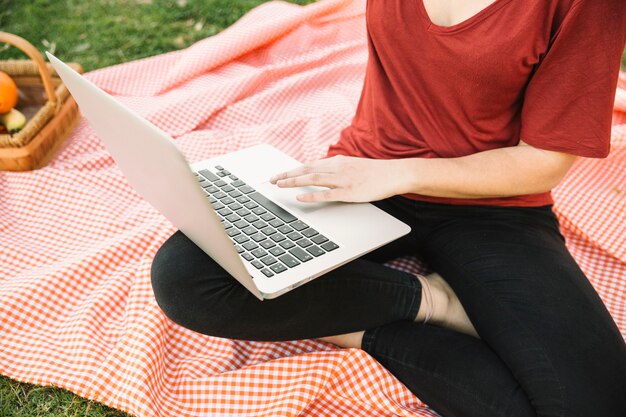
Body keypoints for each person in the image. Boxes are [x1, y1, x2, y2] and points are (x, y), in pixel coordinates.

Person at [150, 0, 626, 415]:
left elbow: (541, 162)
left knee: (600, 405)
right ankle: (433, 301)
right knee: (188, 275)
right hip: (361, 174)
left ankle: (357, 322)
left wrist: (403, 172)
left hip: (490, 202)